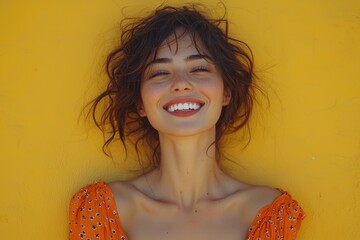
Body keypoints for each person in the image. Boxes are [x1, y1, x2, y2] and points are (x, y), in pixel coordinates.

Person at [69, 5, 305, 240]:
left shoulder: (269, 214)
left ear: (226, 92)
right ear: (140, 103)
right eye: (159, 73)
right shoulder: (102, 210)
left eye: (199, 68)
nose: (180, 83)